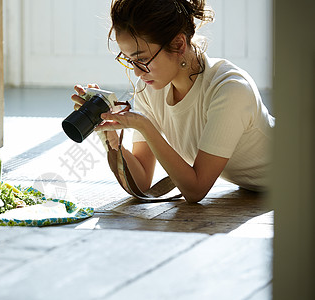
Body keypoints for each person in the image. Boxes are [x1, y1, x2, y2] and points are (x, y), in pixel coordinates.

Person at [71, 0, 275, 203]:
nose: (137, 72)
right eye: (129, 60)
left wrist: (144, 126)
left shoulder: (230, 89)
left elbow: (196, 190)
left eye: (142, 59)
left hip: (301, 172)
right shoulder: (152, 89)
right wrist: (110, 135)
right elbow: (142, 183)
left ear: (178, 45)